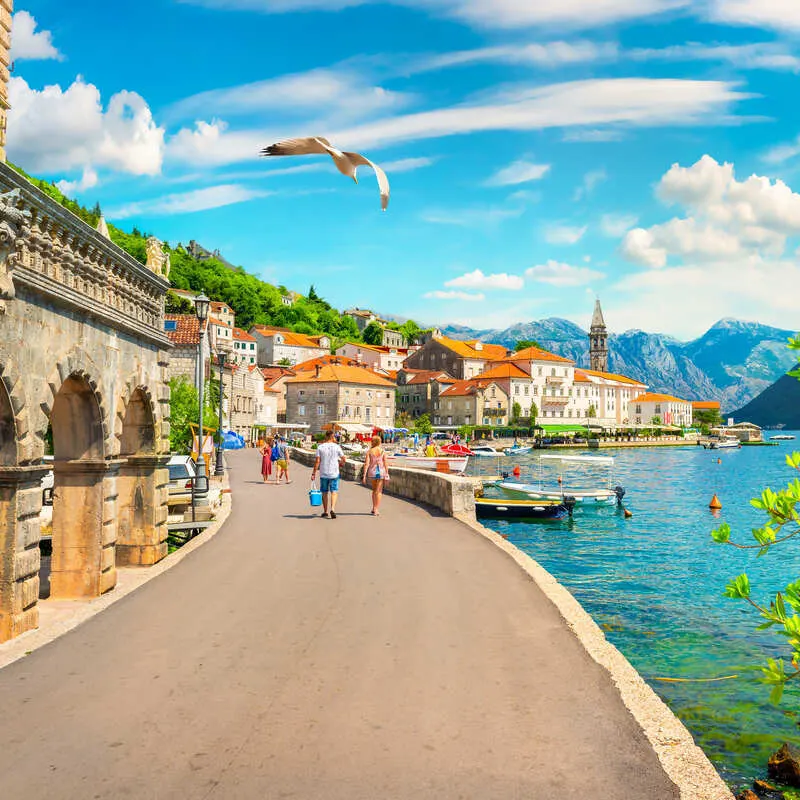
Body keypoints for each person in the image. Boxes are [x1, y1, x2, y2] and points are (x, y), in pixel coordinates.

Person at [312, 430, 345, 519]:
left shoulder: (320, 447)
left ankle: (325, 511)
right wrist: (341, 464)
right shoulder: (337, 447)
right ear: (332, 437)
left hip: (324, 472)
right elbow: (343, 458)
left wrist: (314, 473)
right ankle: (333, 509)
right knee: (334, 491)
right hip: (334, 473)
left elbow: (317, 461)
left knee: (324, 492)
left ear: (326, 437)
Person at [362, 435, 390, 516]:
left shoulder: (370, 451)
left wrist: (364, 475)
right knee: (379, 491)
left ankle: (374, 508)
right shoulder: (382, 451)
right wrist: (387, 473)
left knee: (374, 490)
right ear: (379, 442)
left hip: (372, 472)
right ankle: (376, 509)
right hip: (381, 472)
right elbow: (385, 463)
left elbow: (366, 464)